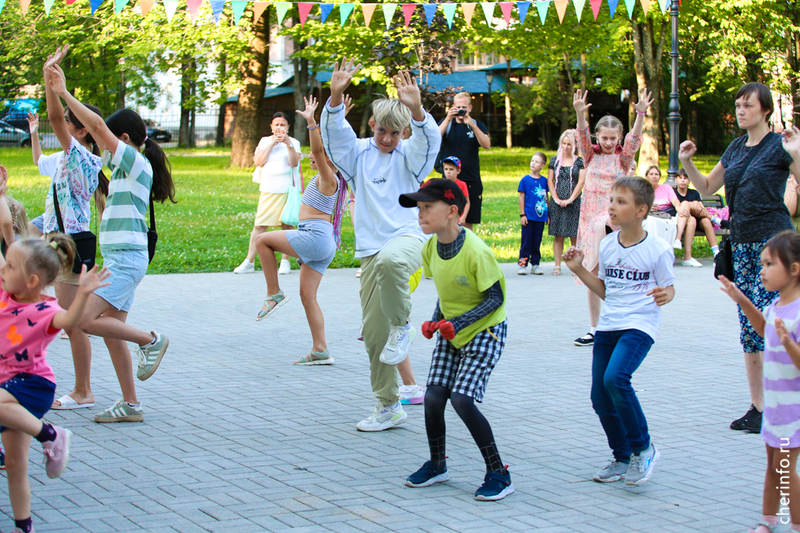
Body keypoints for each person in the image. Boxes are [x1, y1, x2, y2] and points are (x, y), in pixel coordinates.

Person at [47, 48, 176, 424]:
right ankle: (131, 405)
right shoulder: (123, 171)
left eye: (108, 141)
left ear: (123, 138)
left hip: (126, 259)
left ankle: (151, 341)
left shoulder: (135, 162)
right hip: (121, 257)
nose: (102, 146)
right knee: (111, 331)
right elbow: (98, 132)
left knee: (81, 321)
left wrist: (66, 92)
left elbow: (98, 129)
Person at [320, 58, 440, 432]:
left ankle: (402, 326)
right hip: (371, 252)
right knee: (373, 334)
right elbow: (333, 135)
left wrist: (416, 108)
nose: (388, 139)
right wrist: (336, 94)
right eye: (383, 131)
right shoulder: (357, 156)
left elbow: (428, 140)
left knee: (391, 262)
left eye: (396, 133)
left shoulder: (412, 158)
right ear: (372, 125)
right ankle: (388, 405)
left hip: (409, 241)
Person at [679, 82, 800, 434]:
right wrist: (687, 160)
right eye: (738, 105)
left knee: (777, 322)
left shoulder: (781, 145)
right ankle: (758, 407)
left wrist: (797, 151)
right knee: (749, 327)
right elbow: (706, 188)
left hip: (774, 244)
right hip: (742, 245)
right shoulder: (734, 148)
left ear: (765, 110)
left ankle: (787, 399)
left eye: (748, 105)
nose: (741, 110)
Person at [0, 169, 110, 533]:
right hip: (9, 390)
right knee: (15, 464)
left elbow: (70, 321)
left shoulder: (43, 310)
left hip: (31, 385)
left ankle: (50, 434)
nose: (4, 269)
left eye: (10, 266)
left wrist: (82, 294)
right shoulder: (6, 292)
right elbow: (4, 231)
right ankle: (24, 525)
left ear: (31, 281)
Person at [399, 179, 512, 501]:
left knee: (462, 399)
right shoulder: (430, 247)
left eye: (427, 207)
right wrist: (437, 320)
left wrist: (457, 322)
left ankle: (499, 473)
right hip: (452, 330)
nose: (420, 214)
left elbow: (496, 298)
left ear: (452, 212)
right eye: (418, 208)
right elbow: (445, 293)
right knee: (434, 396)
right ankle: (437, 464)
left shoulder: (476, 251)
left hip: (486, 330)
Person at [563, 176, 675, 487]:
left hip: (639, 325)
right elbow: (605, 289)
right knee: (600, 396)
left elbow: (669, 287)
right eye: (611, 200)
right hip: (608, 326)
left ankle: (643, 448)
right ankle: (622, 457)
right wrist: (578, 269)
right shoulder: (608, 244)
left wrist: (668, 294)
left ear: (641, 211)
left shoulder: (658, 249)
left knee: (616, 379)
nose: (612, 206)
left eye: (621, 202)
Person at [27, 51, 107, 411]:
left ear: (81, 130)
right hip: (58, 241)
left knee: (74, 323)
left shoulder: (82, 156)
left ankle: (83, 390)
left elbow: (55, 116)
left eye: (69, 125)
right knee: (63, 317)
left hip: (67, 246)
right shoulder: (77, 157)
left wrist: (51, 82)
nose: (62, 127)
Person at [253, 96, 347, 366]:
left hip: (315, 236)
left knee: (262, 240)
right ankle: (320, 349)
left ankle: (274, 292)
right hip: (322, 240)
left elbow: (318, 151)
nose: (312, 159)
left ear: (329, 161)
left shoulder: (329, 178)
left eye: (319, 158)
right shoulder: (330, 179)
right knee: (308, 296)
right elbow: (321, 151)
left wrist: (312, 123)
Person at [718, 231, 800, 533]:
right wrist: (741, 299)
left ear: (794, 270)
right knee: (773, 466)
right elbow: (764, 329)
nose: (761, 269)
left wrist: (788, 343)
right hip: (776, 408)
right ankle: (768, 521)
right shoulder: (776, 306)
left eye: (769, 264)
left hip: (794, 411)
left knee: (784, 468)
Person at [572, 88, 652, 347]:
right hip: (588, 220)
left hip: (612, 221)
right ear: (598, 136)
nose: (608, 142)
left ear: (618, 138)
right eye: (604, 137)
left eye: (612, 138)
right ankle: (595, 328)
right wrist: (580, 113)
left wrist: (640, 113)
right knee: (592, 274)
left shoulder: (623, 158)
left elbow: (635, 138)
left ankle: (623, 322)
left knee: (615, 271)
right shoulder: (590, 155)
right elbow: (581, 134)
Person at [234, 112, 301, 276]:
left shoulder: (294, 142)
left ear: (288, 127)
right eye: (276, 124)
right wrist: (272, 143)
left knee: (287, 225)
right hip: (269, 188)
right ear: (271, 126)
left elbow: (294, 162)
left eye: (283, 125)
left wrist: (288, 144)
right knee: (260, 226)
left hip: (287, 190)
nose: (279, 128)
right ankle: (249, 261)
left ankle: (285, 261)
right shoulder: (265, 141)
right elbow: (258, 161)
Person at [436, 92, 490, 231]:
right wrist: (448, 119)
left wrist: (472, 125)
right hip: (449, 179)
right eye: (458, 107)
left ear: (470, 108)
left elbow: (486, 144)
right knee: (447, 218)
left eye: (464, 107)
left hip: (471, 178)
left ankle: (466, 250)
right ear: (453, 107)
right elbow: (434, 139)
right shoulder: (446, 123)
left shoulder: (477, 125)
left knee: (468, 221)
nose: (461, 110)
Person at [547, 129, 585, 276]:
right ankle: (557, 265)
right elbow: (550, 181)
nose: (566, 147)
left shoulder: (579, 161)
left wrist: (570, 199)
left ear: (574, 145)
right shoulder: (554, 160)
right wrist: (555, 199)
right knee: (558, 235)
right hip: (557, 201)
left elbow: (581, 182)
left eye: (569, 144)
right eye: (564, 143)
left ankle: (575, 266)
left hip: (573, 201)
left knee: (574, 235)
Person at [674, 168, 720, 265]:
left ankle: (717, 253)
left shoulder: (694, 193)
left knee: (706, 221)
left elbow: (701, 209)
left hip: (697, 218)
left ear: (689, 180)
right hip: (682, 220)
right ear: (676, 180)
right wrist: (693, 204)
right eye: (680, 178)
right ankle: (686, 254)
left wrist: (694, 205)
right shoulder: (674, 193)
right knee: (688, 208)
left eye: (685, 178)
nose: (682, 180)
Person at [518, 152, 549, 275]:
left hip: (540, 217)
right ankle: (522, 264)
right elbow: (521, 197)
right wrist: (522, 214)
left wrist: (548, 215)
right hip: (528, 216)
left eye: (536, 162)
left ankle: (535, 264)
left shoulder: (544, 181)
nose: (533, 163)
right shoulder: (525, 180)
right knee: (526, 241)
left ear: (542, 165)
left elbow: (546, 197)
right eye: (532, 161)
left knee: (536, 241)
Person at [643, 165, 680, 250]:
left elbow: (675, 201)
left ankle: (664, 252)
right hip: (650, 216)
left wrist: (679, 208)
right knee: (651, 222)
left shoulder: (666, 188)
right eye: (651, 174)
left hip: (665, 215)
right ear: (646, 176)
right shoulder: (642, 190)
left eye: (656, 174)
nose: (654, 177)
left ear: (660, 177)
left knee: (671, 224)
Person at [439, 156, 470, 225]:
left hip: (457, 220)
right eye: (446, 169)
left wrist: (463, 216)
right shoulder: (441, 184)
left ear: (458, 171)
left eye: (451, 169)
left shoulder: (462, 185)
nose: (448, 172)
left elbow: (467, 202)